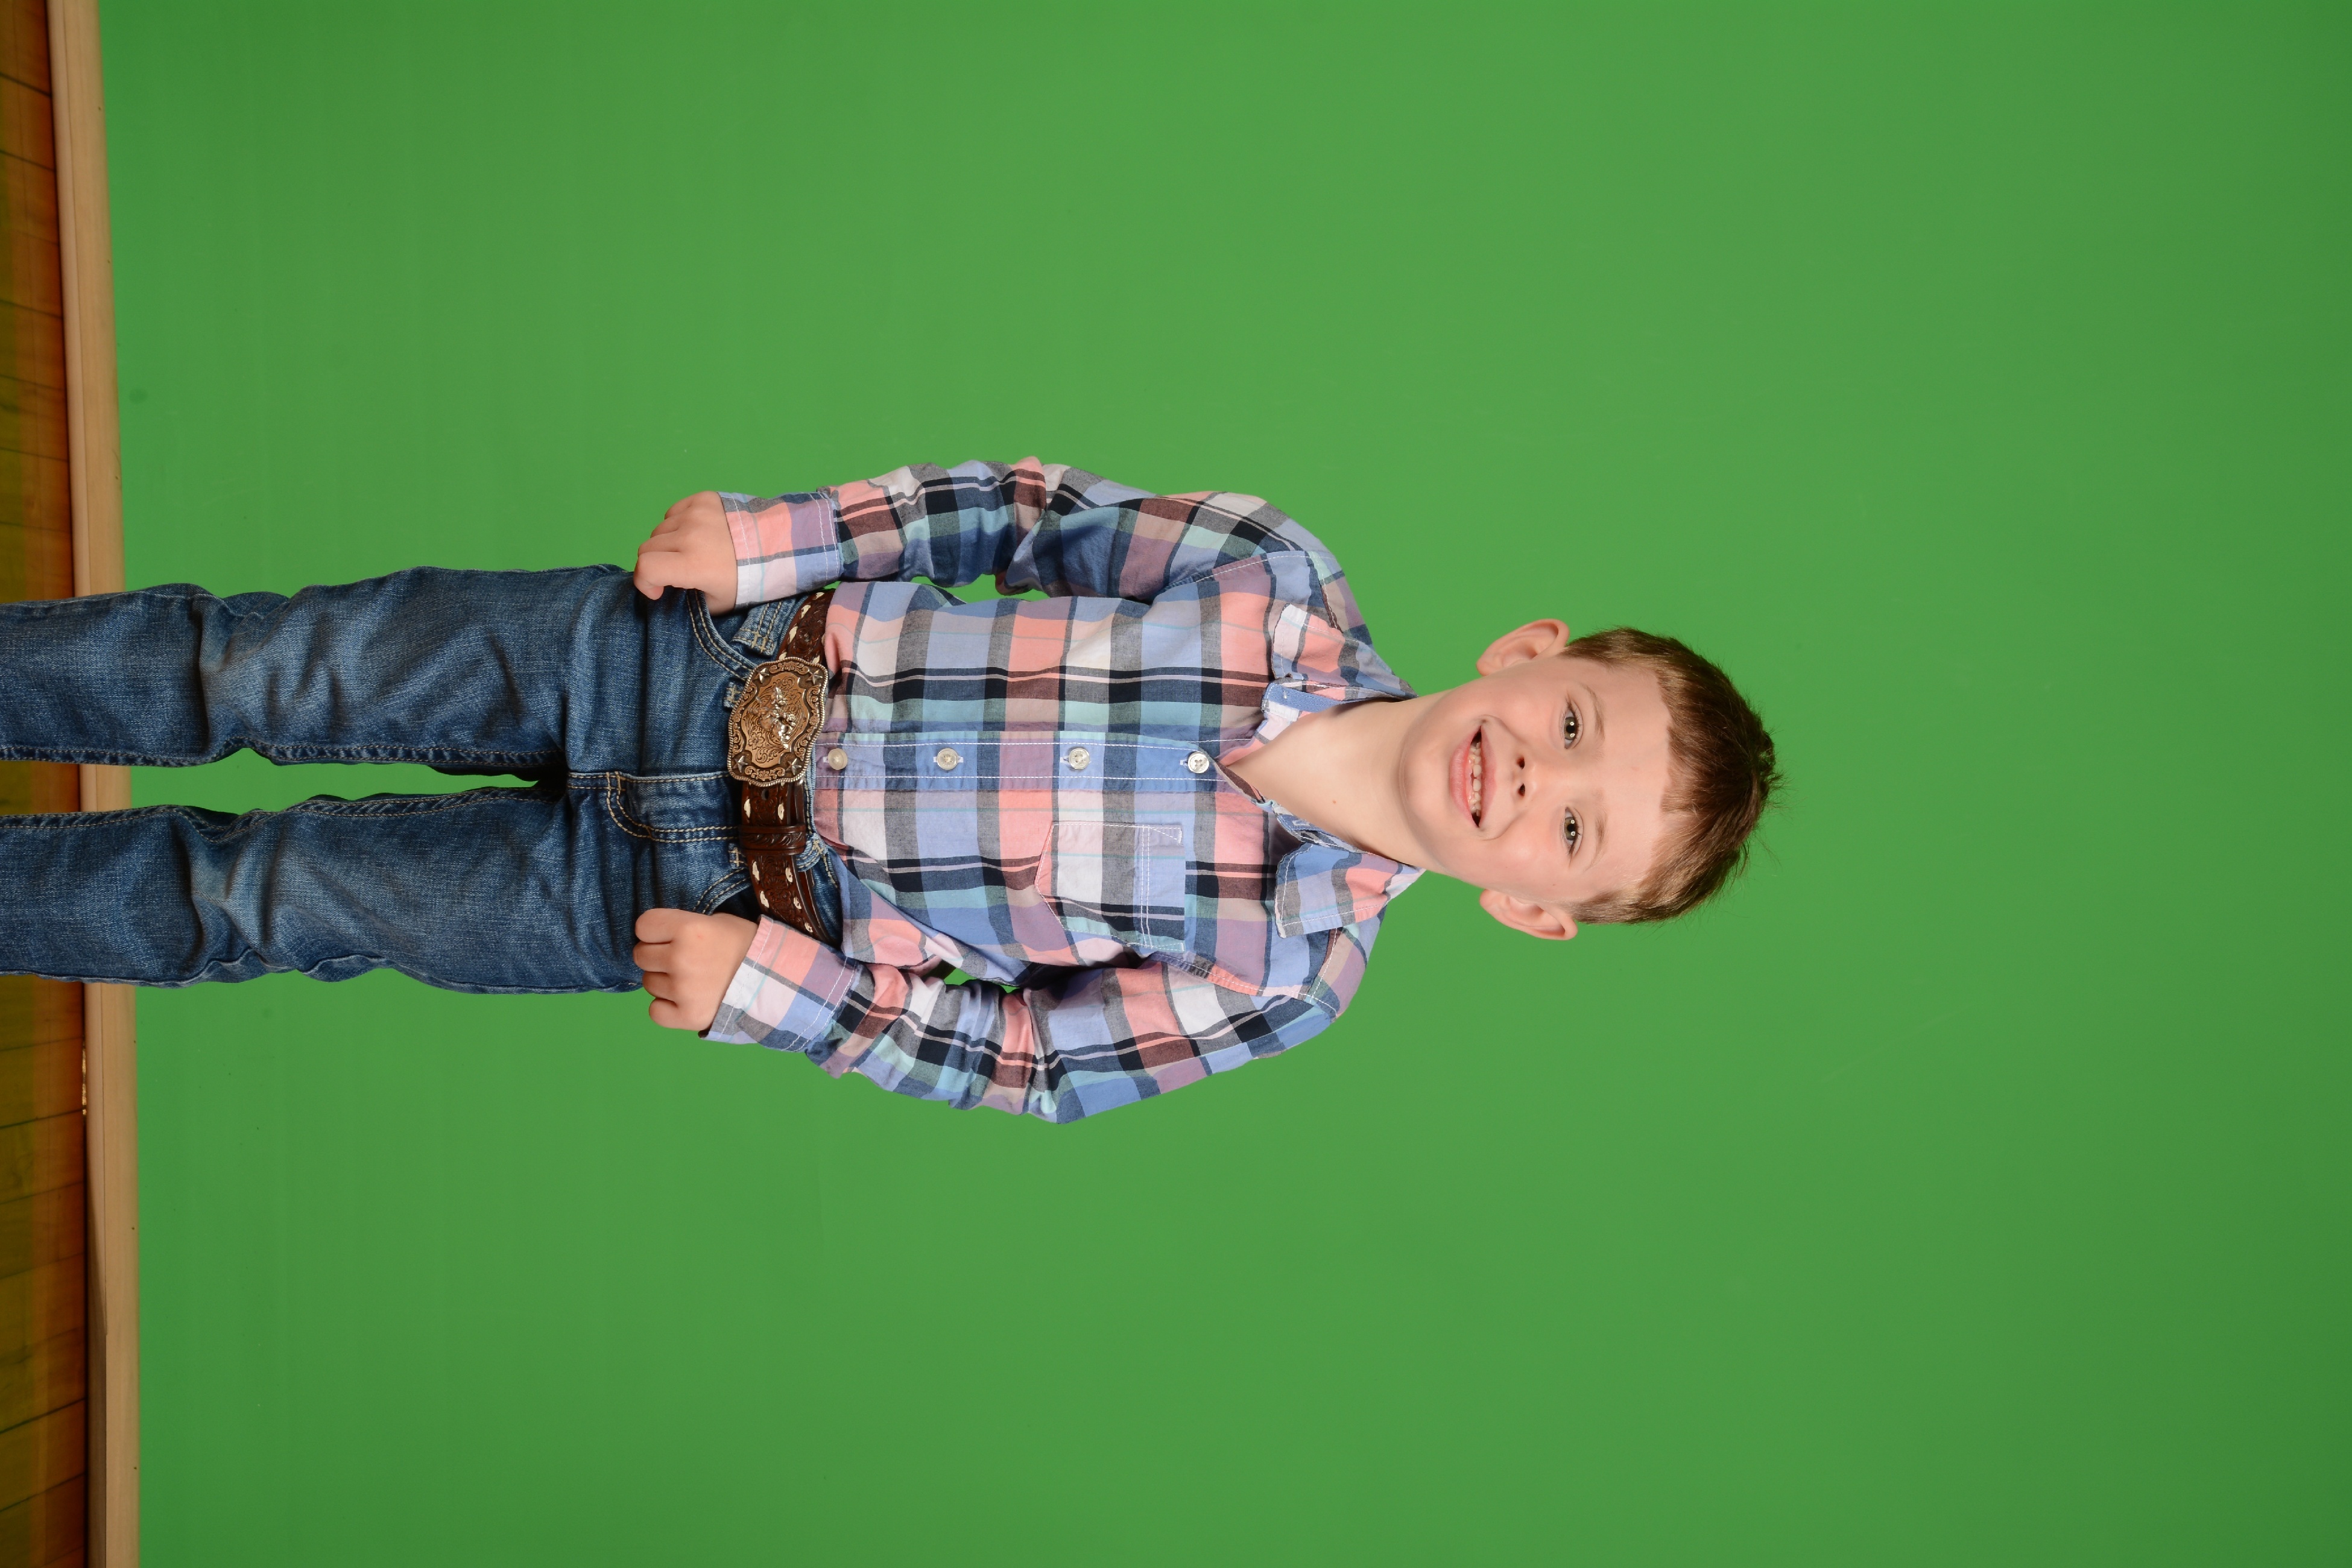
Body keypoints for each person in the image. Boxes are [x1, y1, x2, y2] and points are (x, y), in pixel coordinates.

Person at [0, 459, 1778, 1122]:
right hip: (697, 657)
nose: (1533, 775)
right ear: (1532, 648)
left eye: (1573, 826)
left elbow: (1024, 1060)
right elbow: (1017, 515)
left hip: (695, 903)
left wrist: (779, 996)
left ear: (1533, 907)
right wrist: (781, 539)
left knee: (265, 897)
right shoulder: (1273, 577)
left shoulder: (1285, 972)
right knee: (265, 666)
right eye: (1572, 721)